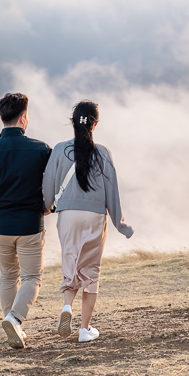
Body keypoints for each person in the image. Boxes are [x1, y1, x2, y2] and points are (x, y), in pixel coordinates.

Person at [43, 100, 132, 343]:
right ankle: (84, 329)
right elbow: (111, 189)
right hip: (94, 215)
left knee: (71, 261)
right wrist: (120, 223)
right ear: (95, 124)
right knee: (91, 270)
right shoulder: (103, 152)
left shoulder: (60, 149)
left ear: (73, 122)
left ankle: (66, 307)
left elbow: (48, 182)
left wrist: (46, 206)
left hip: (67, 214)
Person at [0, 92, 52, 349]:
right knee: (31, 277)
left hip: (1, 225)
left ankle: (12, 324)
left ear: (1, 117)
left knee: (7, 276)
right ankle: (14, 319)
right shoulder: (40, 149)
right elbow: (51, 186)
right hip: (29, 224)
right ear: (24, 118)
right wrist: (46, 206)